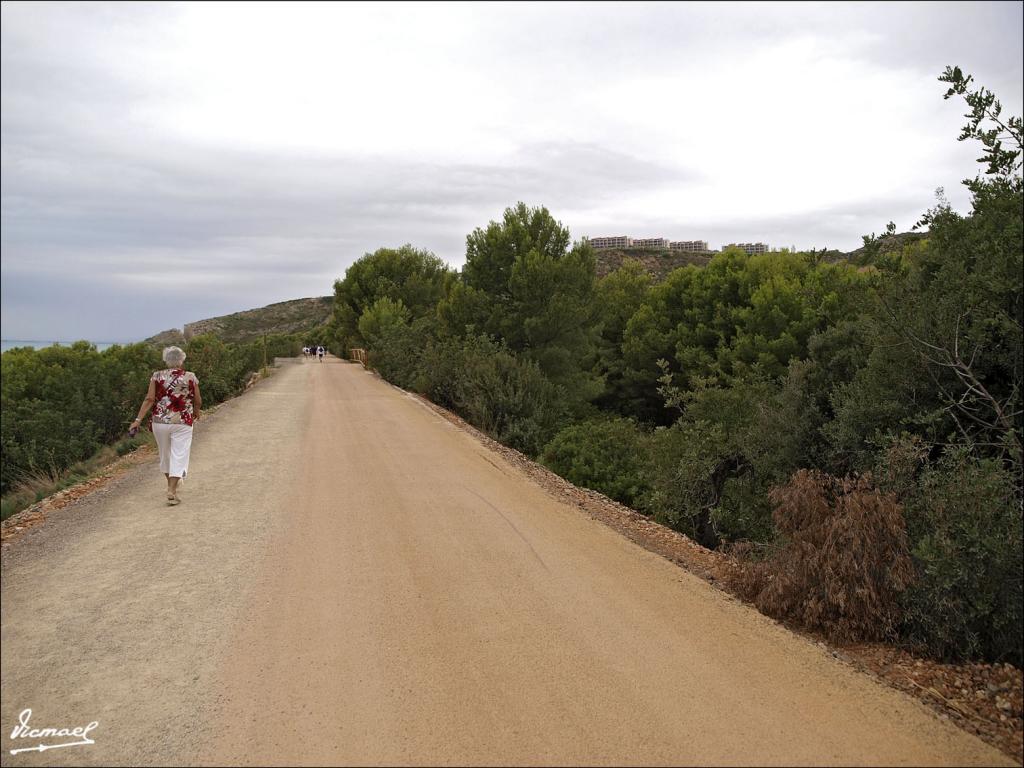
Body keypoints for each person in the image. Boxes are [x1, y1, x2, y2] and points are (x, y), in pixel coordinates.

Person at [130, 346, 202, 506]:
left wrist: (138, 420)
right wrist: (196, 412)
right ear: (181, 360)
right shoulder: (190, 376)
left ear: (166, 360)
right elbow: (197, 400)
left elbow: (149, 399)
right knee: (179, 454)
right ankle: (171, 489)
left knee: (165, 454)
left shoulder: (157, 376)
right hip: (182, 421)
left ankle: (171, 484)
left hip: (160, 422)